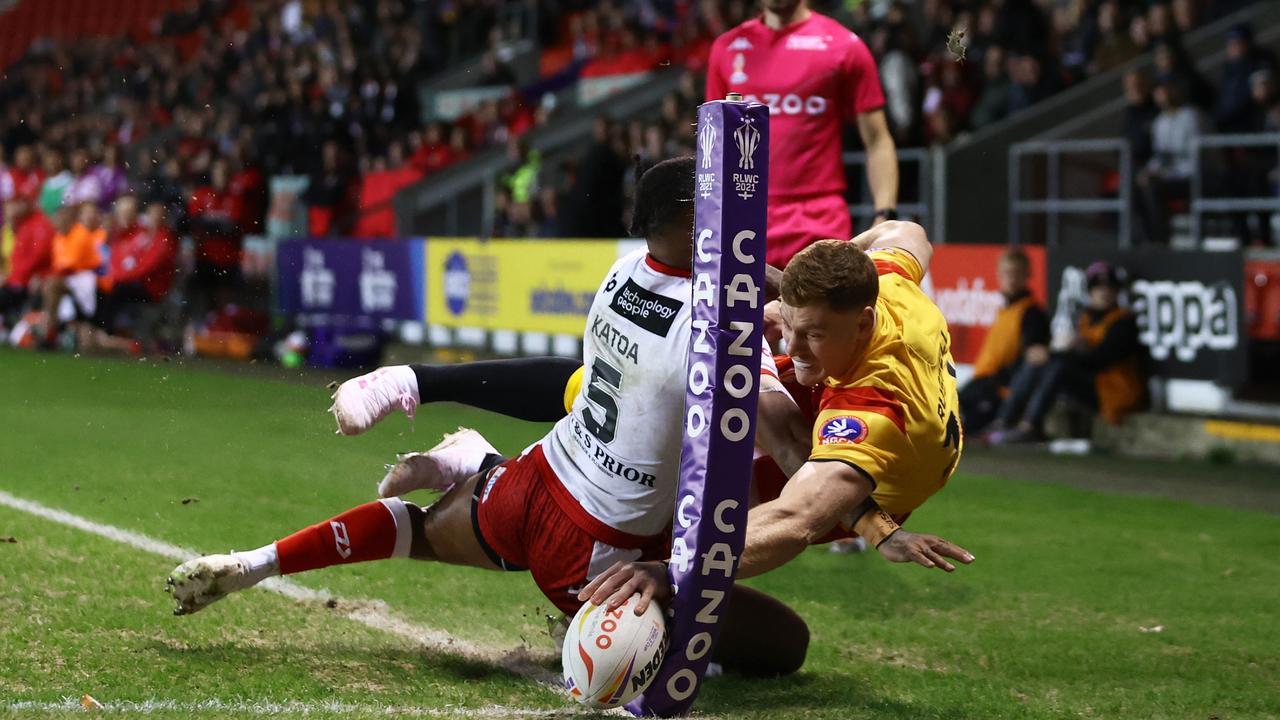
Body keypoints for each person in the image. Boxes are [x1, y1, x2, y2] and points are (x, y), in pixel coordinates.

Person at [165, 158, 815, 676]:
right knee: (789, 644)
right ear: (688, 218)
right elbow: (783, 437)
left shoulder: (625, 271)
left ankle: (254, 563)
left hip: (534, 483)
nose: (737, 216)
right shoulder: (717, 325)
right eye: (719, 203)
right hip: (596, 556)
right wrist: (846, 495)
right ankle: (577, 603)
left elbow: (725, 279)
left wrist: (779, 290)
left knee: (418, 531)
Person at [582, 222, 973, 613]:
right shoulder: (887, 282)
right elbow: (907, 230)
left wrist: (672, 571)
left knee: (711, 491)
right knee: (706, 384)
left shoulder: (870, 411)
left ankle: (649, 614)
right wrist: (796, 298)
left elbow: (796, 519)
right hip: (880, 417)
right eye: (791, 325)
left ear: (864, 322)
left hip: (878, 485)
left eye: (813, 333)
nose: (793, 344)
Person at [705, 0, 899, 268]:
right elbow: (714, 145)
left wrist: (884, 215)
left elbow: (878, 140)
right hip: (744, 217)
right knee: (746, 313)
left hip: (820, 221)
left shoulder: (844, 45)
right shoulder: (726, 48)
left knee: (817, 311)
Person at [986, 262, 1145, 444]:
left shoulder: (1123, 323)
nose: (1104, 292)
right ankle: (1003, 421)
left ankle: (1030, 427)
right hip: (1096, 386)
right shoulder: (1087, 319)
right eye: (1098, 288)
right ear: (1090, 292)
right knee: (1038, 362)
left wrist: (1057, 354)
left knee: (1057, 366)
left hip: (1115, 392)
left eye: (1109, 288)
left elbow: (1098, 362)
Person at [957, 248, 1050, 433]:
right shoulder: (1007, 310)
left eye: (1017, 273)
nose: (1011, 279)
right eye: (1007, 273)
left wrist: (1002, 383)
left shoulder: (1031, 313)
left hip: (997, 389)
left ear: (1027, 275)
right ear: (999, 275)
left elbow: (1031, 359)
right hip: (982, 382)